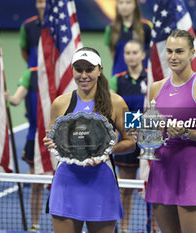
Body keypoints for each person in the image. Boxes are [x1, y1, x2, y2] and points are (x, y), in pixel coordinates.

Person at [43, 47, 135, 233]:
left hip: (102, 184)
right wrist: (52, 143)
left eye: (89, 69)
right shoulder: (59, 103)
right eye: (79, 69)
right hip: (66, 183)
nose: (84, 75)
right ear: (73, 71)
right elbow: (52, 138)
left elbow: (132, 142)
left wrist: (108, 150)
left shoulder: (118, 102)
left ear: (99, 70)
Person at [144, 29, 196, 233]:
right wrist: (143, 134)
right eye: (169, 51)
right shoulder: (155, 88)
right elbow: (150, 130)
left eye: (179, 51)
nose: (173, 57)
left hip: (191, 173)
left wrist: (187, 133)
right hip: (161, 171)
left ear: (192, 53)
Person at [109, 39, 147, 233]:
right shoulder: (117, 80)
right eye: (128, 53)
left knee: (152, 187)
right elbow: (112, 111)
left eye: (135, 52)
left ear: (143, 55)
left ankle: (154, 227)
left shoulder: (151, 78)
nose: (131, 56)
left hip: (150, 137)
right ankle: (124, 229)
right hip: (127, 138)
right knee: (126, 188)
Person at [18, 0, 46, 230]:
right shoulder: (27, 27)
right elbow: (16, 98)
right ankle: (34, 225)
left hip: (54, 138)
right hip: (34, 135)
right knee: (36, 182)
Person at [104, 0, 152, 75]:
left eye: (128, 2)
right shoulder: (110, 29)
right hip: (119, 76)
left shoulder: (147, 26)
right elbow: (113, 54)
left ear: (135, 5)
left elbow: (151, 52)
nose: (124, 6)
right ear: (117, 5)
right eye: (121, 2)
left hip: (143, 77)